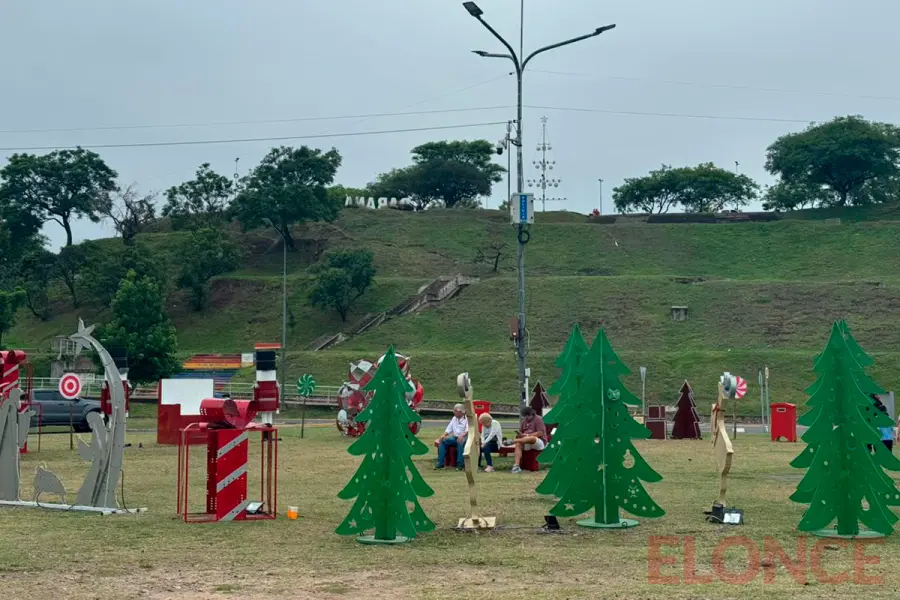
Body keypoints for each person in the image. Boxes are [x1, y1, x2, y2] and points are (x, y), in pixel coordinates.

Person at [511, 405, 547, 474]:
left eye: (527, 416)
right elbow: (521, 433)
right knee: (518, 444)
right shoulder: (524, 421)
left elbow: (540, 433)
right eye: (525, 416)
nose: (526, 418)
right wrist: (520, 435)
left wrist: (527, 435)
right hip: (526, 442)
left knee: (531, 438)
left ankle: (513, 441)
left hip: (539, 442)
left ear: (532, 414)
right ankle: (516, 466)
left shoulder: (538, 419)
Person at [436, 403, 468, 470]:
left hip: (464, 437)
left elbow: (468, 430)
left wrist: (462, 435)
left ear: (460, 412)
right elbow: (449, 428)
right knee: (443, 441)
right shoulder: (454, 418)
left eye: (455, 411)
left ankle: (460, 465)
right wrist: (444, 435)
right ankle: (440, 463)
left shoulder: (467, 419)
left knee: (460, 442)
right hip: (455, 437)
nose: (454, 412)